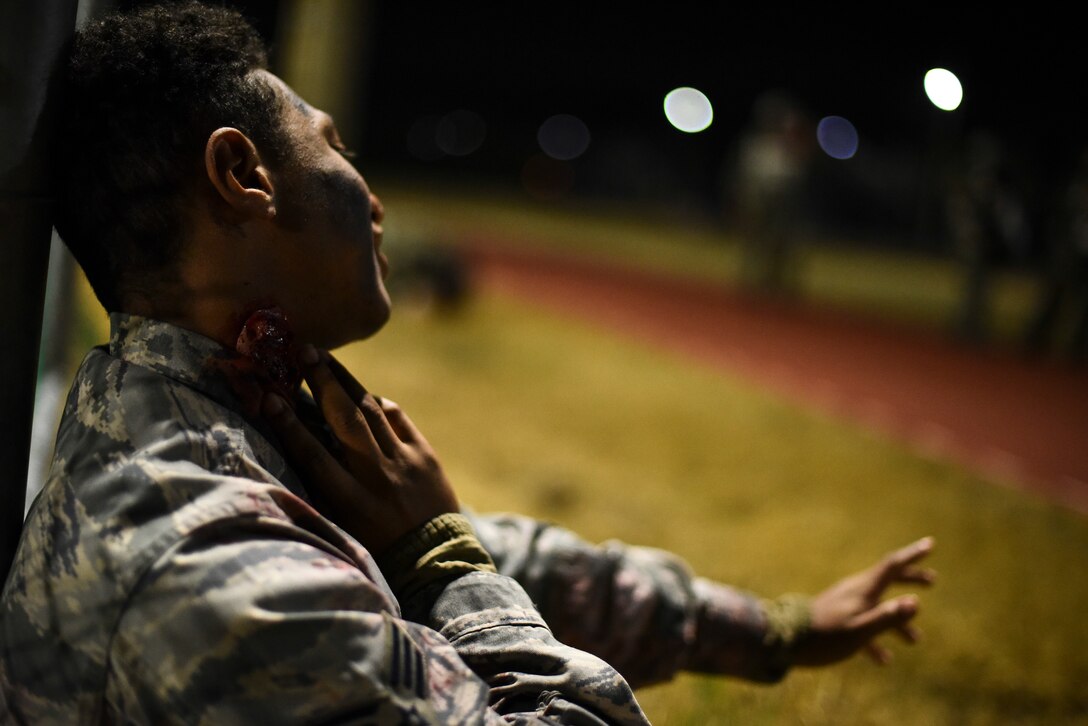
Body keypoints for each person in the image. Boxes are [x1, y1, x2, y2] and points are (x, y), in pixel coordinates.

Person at [0, 3, 935, 723]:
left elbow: (507, 556)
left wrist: (773, 629)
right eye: (335, 146)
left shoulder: (201, 404)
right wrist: (438, 558)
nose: (370, 194)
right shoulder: (206, 569)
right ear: (243, 175)